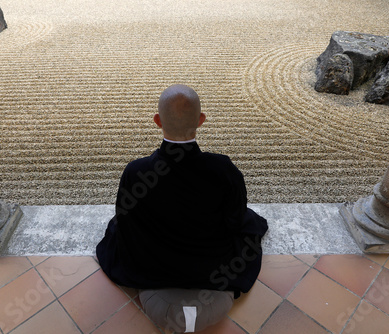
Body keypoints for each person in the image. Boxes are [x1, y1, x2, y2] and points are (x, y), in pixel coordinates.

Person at [96, 84, 268, 332]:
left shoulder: (136, 172)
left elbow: (127, 223)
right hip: (213, 270)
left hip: (152, 269)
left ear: (157, 121)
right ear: (200, 120)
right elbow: (236, 219)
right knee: (249, 225)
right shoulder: (222, 169)